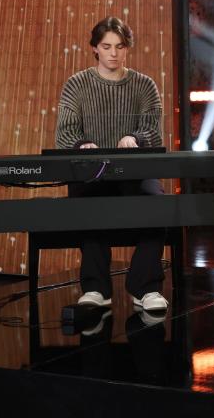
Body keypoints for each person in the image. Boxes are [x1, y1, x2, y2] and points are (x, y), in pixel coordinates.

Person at [55, 16, 168, 312]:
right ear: (95, 48)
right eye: (106, 47)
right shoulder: (76, 85)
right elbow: (65, 134)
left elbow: (153, 131)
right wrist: (83, 145)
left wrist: (134, 138)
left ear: (127, 48)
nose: (114, 53)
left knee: (157, 203)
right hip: (93, 173)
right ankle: (95, 288)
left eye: (120, 47)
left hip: (135, 171)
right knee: (87, 200)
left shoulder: (144, 85)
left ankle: (145, 287)